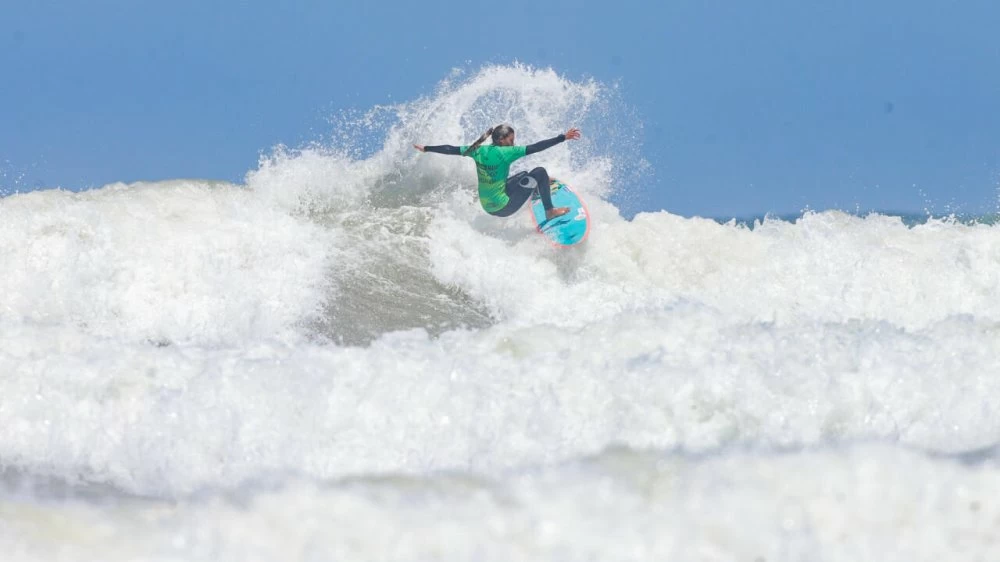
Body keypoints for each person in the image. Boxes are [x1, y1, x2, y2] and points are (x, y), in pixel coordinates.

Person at [414, 125, 582, 220]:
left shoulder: (476, 150)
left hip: (488, 206)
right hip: (504, 208)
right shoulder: (507, 152)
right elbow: (537, 147)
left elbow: (450, 149)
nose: (513, 142)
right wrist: (563, 137)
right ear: (501, 140)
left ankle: (539, 188)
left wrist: (427, 148)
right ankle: (549, 211)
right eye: (511, 139)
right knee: (539, 172)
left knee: (524, 174)